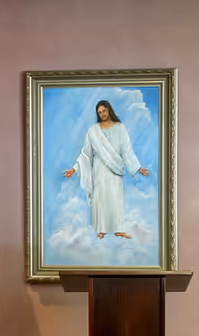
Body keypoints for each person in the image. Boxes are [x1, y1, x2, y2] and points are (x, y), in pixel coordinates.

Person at [62, 99, 150, 239]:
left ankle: (118, 229)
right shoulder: (93, 131)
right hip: (99, 170)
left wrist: (138, 168)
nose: (102, 114)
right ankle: (101, 229)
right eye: (99, 112)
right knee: (101, 199)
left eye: (104, 111)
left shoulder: (120, 128)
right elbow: (85, 153)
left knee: (116, 199)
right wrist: (74, 169)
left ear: (109, 110)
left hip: (115, 170)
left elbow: (127, 150)